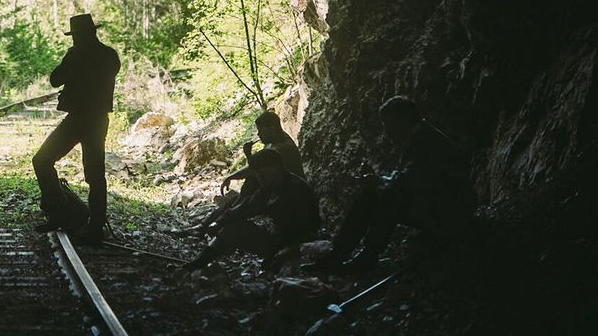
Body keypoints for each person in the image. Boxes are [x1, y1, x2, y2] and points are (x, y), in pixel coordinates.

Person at [307, 95, 474, 273]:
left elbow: (409, 182)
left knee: (388, 197)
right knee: (376, 194)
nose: (386, 131)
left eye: (388, 124)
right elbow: (408, 178)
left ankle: (361, 256)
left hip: (448, 211)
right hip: (438, 204)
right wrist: (381, 181)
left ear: (403, 121)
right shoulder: (421, 137)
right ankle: (342, 255)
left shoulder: (426, 142)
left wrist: (379, 181)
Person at [32, 13, 121, 245]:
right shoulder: (110, 55)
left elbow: (55, 79)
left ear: (80, 35)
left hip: (78, 119)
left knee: (42, 160)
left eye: (75, 36)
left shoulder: (75, 54)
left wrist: (74, 58)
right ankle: (95, 227)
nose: (73, 39)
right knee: (95, 176)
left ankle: (60, 212)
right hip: (98, 120)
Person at [182, 148, 321, 273]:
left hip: (299, 244)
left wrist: (278, 254)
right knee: (233, 227)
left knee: (237, 231)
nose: (262, 180)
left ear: (277, 168)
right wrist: (218, 222)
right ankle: (197, 264)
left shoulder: (297, 190)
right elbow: (244, 208)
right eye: (259, 177)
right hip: (279, 239)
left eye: (264, 175)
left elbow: (302, 229)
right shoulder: (269, 188)